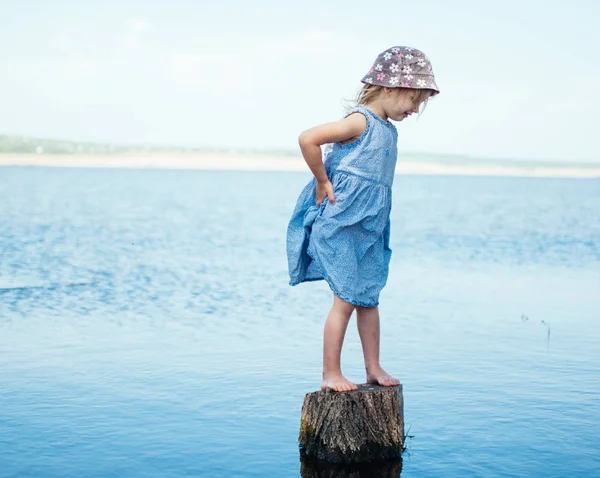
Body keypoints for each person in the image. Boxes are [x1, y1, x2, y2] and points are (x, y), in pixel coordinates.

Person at [287, 46, 439, 392]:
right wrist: (323, 181)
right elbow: (308, 138)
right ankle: (330, 373)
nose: (415, 109)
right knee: (344, 299)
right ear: (389, 88)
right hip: (343, 222)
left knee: (369, 297)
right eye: (413, 99)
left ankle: (373, 367)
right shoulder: (360, 122)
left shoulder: (388, 129)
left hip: (371, 227)